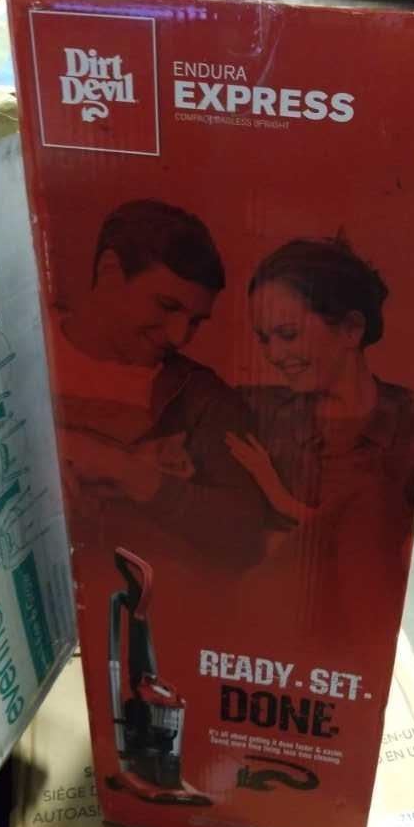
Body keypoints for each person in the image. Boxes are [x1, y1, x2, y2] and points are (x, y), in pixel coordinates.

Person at [225, 237, 414, 631]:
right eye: (264, 339)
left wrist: (277, 496)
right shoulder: (254, 410)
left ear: (351, 329)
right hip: (268, 626)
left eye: (288, 334)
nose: (273, 355)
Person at [54, 199, 264, 576]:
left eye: (195, 321)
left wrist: (131, 474)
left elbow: (247, 536)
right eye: (167, 305)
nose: (180, 336)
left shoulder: (204, 399)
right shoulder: (13, 349)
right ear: (110, 272)